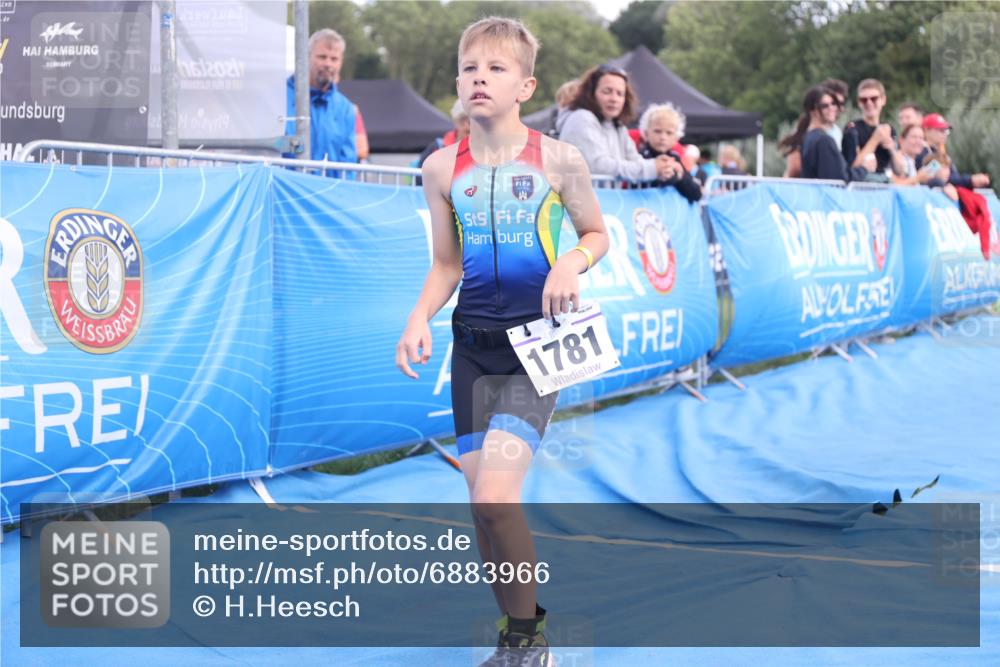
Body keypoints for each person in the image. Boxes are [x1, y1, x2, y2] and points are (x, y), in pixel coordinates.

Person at [395, 17, 609, 666]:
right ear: (457, 82)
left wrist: (571, 263)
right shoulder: (439, 169)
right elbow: (446, 265)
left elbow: (597, 234)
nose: (478, 78)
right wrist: (417, 318)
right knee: (482, 509)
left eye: (495, 68)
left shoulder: (559, 158)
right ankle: (515, 638)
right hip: (471, 350)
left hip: (534, 349)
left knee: (496, 496)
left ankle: (529, 640)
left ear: (526, 85)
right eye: (469, 68)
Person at [558, 64, 675, 183]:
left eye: (620, 94)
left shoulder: (618, 127)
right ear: (591, 93)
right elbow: (597, 166)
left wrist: (663, 167)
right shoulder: (581, 118)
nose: (614, 99)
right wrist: (651, 168)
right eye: (607, 91)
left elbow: (635, 161)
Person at [284, 29, 357, 165]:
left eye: (334, 59)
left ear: (341, 62)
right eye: (322, 57)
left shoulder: (345, 108)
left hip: (327, 186)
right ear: (307, 57)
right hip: (285, 186)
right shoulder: (279, 97)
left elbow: (348, 162)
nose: (328, 64)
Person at [798, 86, 871, 181]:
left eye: (833, 104)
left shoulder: (808, 138)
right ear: (813, 111)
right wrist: (864, 168)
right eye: (825, 106)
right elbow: (839, 179)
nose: (832, 108)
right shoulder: (824, 140)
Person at [841, 78, 906, 178]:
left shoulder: (889, 129)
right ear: (859, 103)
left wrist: (892, 149)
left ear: (883, 100)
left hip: (884, 184)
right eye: (864, 100)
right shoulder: (852, 128)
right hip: (862, 186)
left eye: (874, 98)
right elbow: (853, 166)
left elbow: (901, 171)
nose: (869, 103)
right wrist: (875, 139)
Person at [636, 103, 701, 202]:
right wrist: (656, 173)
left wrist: (679, 177)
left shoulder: (675, 159)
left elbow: (696, 194)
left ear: (676, 138)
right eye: (657, 131)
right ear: (646, 133)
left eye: (669, 133)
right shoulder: (639, 157)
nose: (663, 137)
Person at [916, 113, 991, 190]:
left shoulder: (940, 152)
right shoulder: (922, 152)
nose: (945, 134)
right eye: (941, 130)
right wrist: (970, 180)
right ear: (926, 130)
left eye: (946, 130)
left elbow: (952, 177)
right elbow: (939, 178)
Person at [416, 99, 470, 168]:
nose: (466, 125)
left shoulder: (484, 150)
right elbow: (420, 174)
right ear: (455, 121)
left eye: (472, 120)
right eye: (462, 120)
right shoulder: (437, 147)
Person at [820, 78, 849, 149]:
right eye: (835, 103)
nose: (841, 109)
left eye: (842, 104)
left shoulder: (837, 132)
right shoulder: (805, 133)